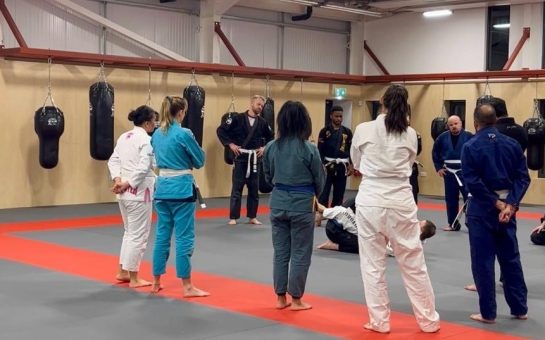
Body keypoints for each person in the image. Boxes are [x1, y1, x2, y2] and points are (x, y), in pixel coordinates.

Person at [351, 84, 440, 334]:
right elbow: (410, 163)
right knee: (414, 263)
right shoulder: (410, 134)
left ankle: (379, 322)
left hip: (370, 200)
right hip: (401, 199)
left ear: (382, 101)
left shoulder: (363, 129)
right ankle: (429, 321)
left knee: (372, 264)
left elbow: (356, 162)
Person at [461, 104, 530, 324]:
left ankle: (488, 313)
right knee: (511, 258)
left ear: (475, 122)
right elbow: (523, 178)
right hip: (508, 210)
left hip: (483, 209)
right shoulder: (513, 145)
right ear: (496, 120)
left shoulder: (470, 146)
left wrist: (496, 204)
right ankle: (520, 309)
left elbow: (472, 181)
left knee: (483, 261)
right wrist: (510, 204)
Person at [263, 100, 325, 311]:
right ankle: (296, 299)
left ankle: (280, 298)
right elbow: (319, 179)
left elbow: (267, 175)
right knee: (300, 252)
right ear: (304, 122)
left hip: (278, 202)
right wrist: (315, 196)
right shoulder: (309, 149)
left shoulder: (271, 147)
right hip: (301, 205)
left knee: (280, 252)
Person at [150, 96, 209, 297]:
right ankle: (187, 286)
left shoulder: (156, 134)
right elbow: (200, 160)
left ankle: (156, 281)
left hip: (162, 189)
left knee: (162, 236)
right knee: (184, 238)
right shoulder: (183, 134)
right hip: (181, 190)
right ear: (181, 112)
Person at [107, 105, 157, 288]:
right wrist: (127, 183)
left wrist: (118, 179)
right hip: (138, 193)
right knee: (139, 236)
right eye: (154, 121)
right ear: (146, 122)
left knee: (129, 233)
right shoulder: (146, 140)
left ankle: (123, 271)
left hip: (124, 193)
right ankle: (134, 278)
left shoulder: (124, 137)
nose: (155, 124)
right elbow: (144, 167)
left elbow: (114, 160)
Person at [217, 95, 273, 225]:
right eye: (258, 104)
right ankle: (233, 217)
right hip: (241, 158)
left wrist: (264, 148)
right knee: (237, 189)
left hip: (255, 160)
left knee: (254, 189)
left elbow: (271, 137)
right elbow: (221, 130)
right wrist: (230, 145)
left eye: (262, 106)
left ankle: (252, 216)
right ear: (252, 103)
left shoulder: (263, 122)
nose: (260, 107)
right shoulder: (237, 118)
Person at [316, 198, 437, 254]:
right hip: (368, 225)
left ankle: (333, 244)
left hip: (365, 236)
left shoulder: (409, 244)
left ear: (420, 232)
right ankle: (323, 213)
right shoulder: (411, 229)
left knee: (365, 245)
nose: (416, 222)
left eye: (419, 224)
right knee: (355, 202)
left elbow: (386, 248)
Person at [432, 115, 473, 231]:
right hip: (449, 173)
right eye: (451, 125)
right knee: (450, 199)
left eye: (456, 123)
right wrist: (438, 167)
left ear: (461, 123)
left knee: (469, 198)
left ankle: (471, 223)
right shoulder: (441, 138)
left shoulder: (470, 136)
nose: (454, 126)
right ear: (447, 126)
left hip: (465, 173)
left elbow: (476, 153)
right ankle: (453, 223)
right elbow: (435, 153)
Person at [317, 106, 353, 210]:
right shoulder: (324, 131)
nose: (339, 119)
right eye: (336, 116)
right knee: (324, 192)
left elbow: (351, 150)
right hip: (327, 165)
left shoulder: (347, 132)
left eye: (341, 116)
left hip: (342, 166)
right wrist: (321, 165)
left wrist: (351, 164)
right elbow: (320, 149)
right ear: (331, 116)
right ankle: (321, 214)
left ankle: (336, 215)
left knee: (339, 192)